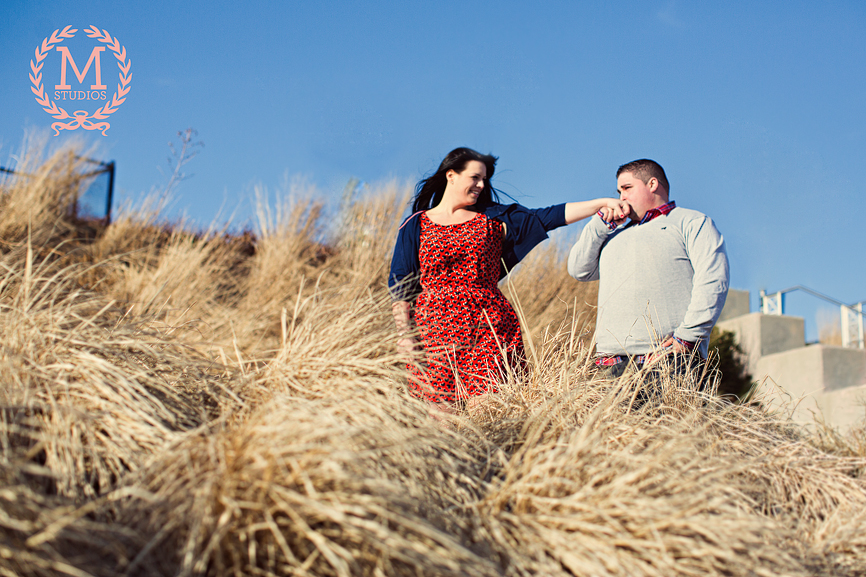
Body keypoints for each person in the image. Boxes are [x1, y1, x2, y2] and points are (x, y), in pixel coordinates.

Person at [389, 147, 628, 412]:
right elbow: (401, 285)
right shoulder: (416, 224)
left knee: (490, 410)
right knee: (443, 417)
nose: (481, 185)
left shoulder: (495, 218)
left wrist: (600, 203)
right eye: (475, 177)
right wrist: (405, 336)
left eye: (485, 180)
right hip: (432, 330)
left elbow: (547, 216)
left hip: (488, 325)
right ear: (451, 175)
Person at [567, 159, 729, 384]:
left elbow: (713, 279)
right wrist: (599, 224)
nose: (620, 197)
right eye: (618, 191)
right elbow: (578, 270)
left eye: (627, 188)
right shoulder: (612, 234)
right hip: (610, 365)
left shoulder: (690, 221)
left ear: (652, 184)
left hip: (670, 359)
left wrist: (687, 337)